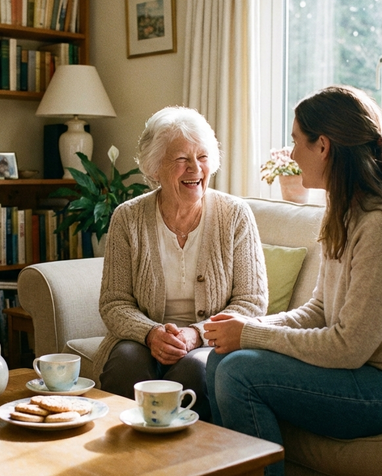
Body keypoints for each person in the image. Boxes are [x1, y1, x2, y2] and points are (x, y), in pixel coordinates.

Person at [203, 85, 382, 476]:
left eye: (296, 141)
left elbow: (348, 347)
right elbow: (321, 310)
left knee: (238, 371)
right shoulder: (346, 209)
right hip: (374, 371)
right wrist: (246, 329)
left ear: (323, 146)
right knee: (221, 359)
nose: (291, 154)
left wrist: (253, 337)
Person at [93, 106, 268, 422]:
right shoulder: (127, 218)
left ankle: (183, 467)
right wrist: (151, 334)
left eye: (202, 157)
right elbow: (114, 303)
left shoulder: (235, 215)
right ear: (154, 167)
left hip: (208, 344)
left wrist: (195, 334)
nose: (195, 169)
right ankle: (119, 462)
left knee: (195, 369)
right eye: (181, 159)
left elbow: (252, 303)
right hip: (143, 340)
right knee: (126, 364)